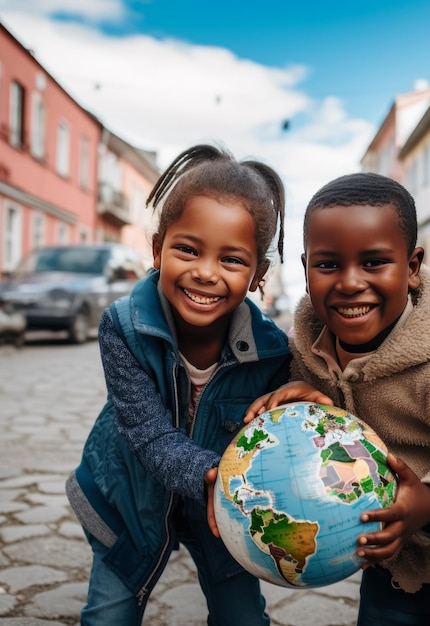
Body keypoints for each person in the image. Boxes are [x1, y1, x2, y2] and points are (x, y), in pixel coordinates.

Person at [242, 173, 430, 625]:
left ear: (413, 265)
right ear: (305, 269)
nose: (350, 283)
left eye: (375, 262)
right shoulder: (308, 352)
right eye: (327, 265)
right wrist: (306, 405)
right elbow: (325, 434)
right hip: (390, 573)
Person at [66, 144, 299, 626]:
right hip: (133, 499)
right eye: (188, 249)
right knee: (108, 616)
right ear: (157, 249)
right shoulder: (124, 327)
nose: (206, 272)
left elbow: (280, 438)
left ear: (258, 275)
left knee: (244, 620)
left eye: (232, 260)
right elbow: (148, 435)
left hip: (222, 514)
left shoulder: (273, 352)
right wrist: (215, 476)